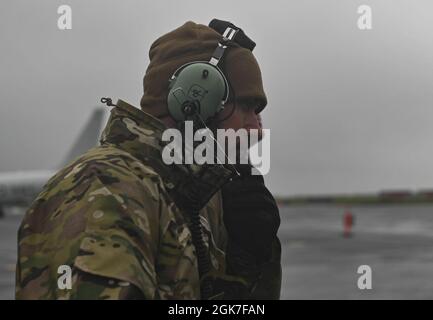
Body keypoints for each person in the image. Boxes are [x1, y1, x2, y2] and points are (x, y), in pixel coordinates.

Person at [16, 20, 281, 300]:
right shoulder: (107, 191)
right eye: (247, 107)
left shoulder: (189, 199)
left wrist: (246, 265)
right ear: (194, 101)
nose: (257, 130)